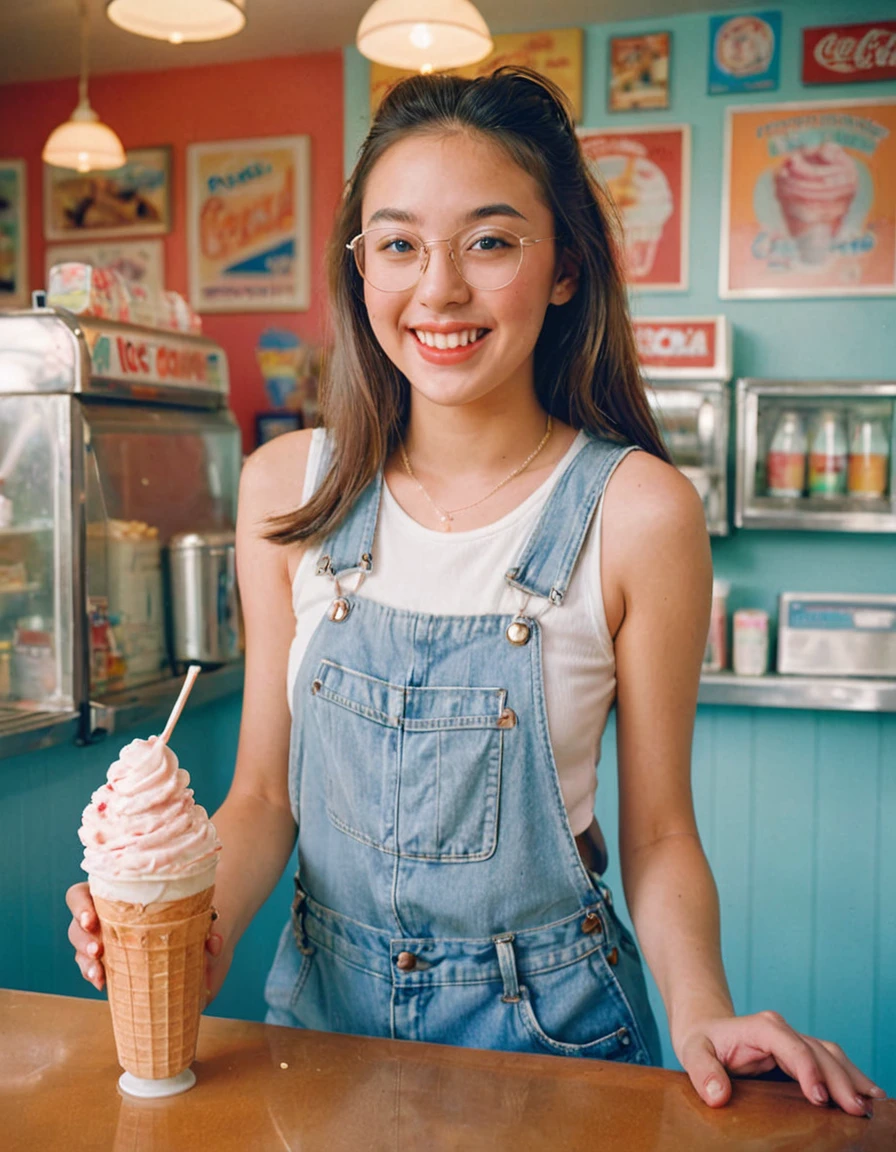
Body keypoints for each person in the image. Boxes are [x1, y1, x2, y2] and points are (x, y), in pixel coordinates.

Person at [67, 67, 882, 1115]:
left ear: (562, 268)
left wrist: (700, 1016)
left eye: (489, 241)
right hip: (316, 1026)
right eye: (398, 244)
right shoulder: (285, 490)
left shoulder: (639, 514)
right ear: (359, 268)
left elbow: (660, 834)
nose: (438, 290)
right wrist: (200, 927)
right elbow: (265, 798)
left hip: (555, 1040)